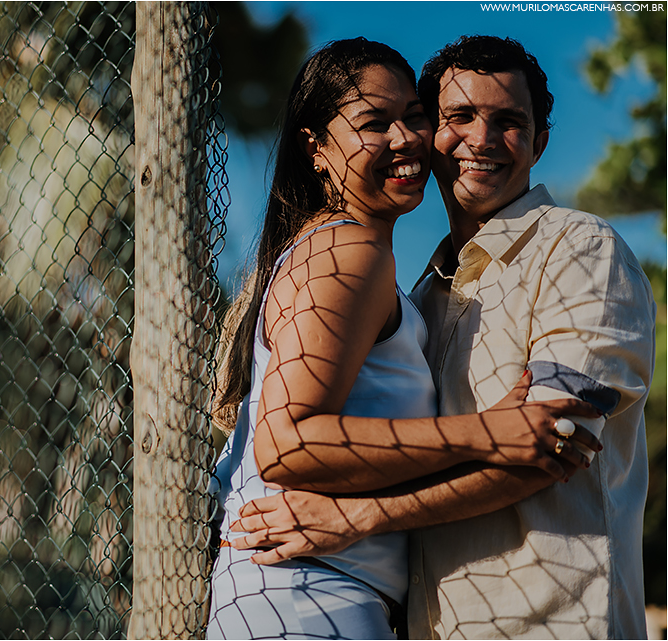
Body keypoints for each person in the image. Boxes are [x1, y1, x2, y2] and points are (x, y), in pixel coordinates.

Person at [226, 36, 656, 640]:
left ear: (540, 144)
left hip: (552, 622)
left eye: (508, 122)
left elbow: (556, 442)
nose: (481, 140)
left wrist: (357, 517)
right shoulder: (421, 298)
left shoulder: (580, 250)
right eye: (458, 117)